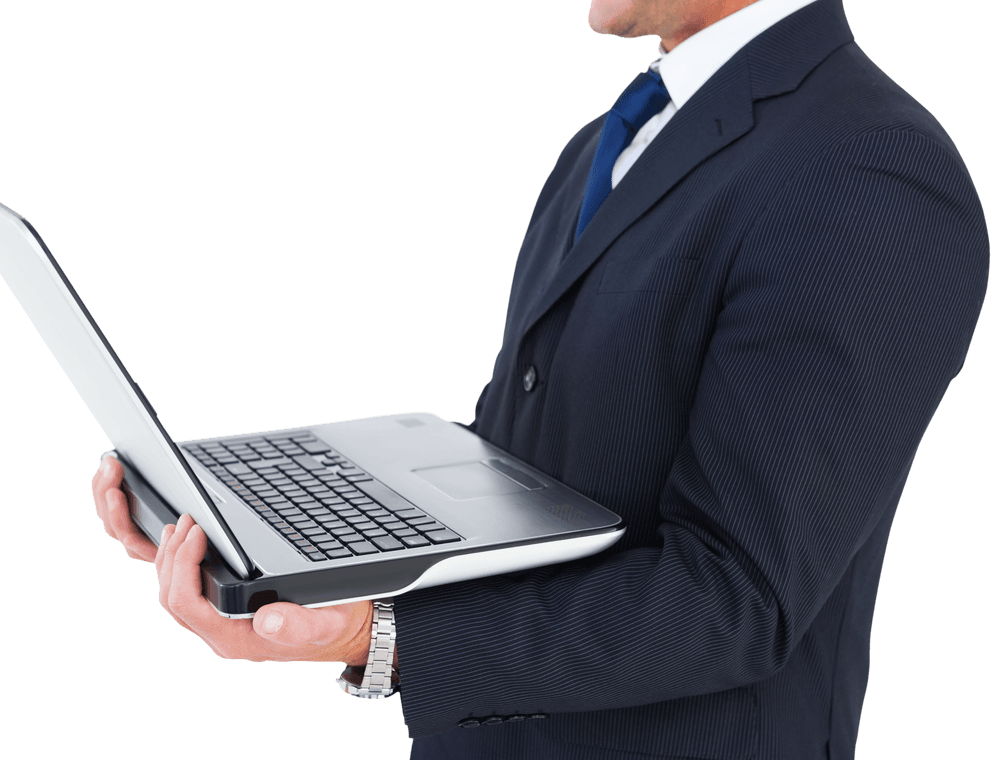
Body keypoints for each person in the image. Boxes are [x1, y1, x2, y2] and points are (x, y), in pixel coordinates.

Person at [91, 0, 990, 757]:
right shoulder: (607, 145)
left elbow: (737, 598)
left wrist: (381, 638)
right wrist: (296, 546)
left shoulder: (869, 169)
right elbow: (518, 476)